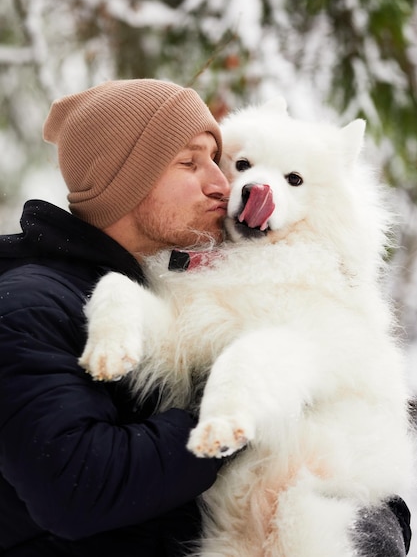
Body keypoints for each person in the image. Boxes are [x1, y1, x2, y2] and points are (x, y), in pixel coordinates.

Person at [0, 79, 411, 556]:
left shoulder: (156, 282)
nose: (223, 183)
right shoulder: (28, 304)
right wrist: (232, 411)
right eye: (191, 163)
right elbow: (76, 488)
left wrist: (377, 522)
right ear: (128, 179)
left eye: (217, 160)